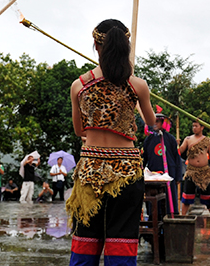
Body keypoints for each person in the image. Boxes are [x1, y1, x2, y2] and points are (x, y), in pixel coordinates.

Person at [67, 19, 156, 266]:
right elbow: (151, 122)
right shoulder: (137, 85)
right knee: (122, 239)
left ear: (96, 45)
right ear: (125, 46)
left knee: (86, 237)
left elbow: (79, 130)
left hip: (90, 169)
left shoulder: (80, 85)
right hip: (126, 170)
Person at [179, 120, 210, 224]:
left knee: (208, 195)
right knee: (187, 194)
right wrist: (176, 145)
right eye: (193, 126)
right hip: (191, 171)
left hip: (204, 171)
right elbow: (180, 151)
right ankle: (183, 216)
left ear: (202, 127)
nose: (194, 128)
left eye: (196, 126)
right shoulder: (188, 139)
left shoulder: (207, 140)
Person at [143, 111, 181, 216]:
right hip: (153, 175)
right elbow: (144, 158)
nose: (155, 123)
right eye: (153, 121)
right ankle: (154, 218)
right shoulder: (148, 140)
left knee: (170, 198)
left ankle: (170, 216)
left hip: (169, 174)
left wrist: (178, 176)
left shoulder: (171, 139)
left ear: (163, 123)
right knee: (153, 199)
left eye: (158, 121)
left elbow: (177, 158)